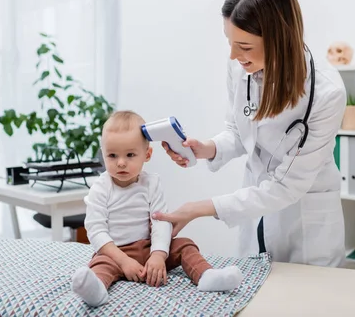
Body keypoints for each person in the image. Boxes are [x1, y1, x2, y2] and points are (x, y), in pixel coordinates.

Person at [154, 0, 347, 267]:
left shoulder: (326, 94)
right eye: (230, 42)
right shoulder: (241, 65)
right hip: (256, 208)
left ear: (279, 41)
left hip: (307, 219)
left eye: (244, 46)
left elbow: (287, 187)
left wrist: (198, 208)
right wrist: (205, 148)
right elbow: (239, 130)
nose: (233, 55)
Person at [71, 110, 243, 307]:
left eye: (130, 155)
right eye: (112, 155)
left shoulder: (151, 183)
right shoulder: (100, 188)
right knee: (100, 265)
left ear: (147, 154)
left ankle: (206, 275)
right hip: (115, 253)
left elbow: (161, 221)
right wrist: (123, 261)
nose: (121, 162)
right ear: (103, 154)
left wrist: (158, 255)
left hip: (149, 247)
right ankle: (96, 291)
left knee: (185, 245)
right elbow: (96, 231)